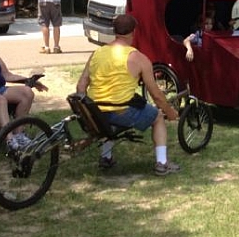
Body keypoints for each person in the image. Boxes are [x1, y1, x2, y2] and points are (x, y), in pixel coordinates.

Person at [76, 14, 180, 174]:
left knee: (107, 119)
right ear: (133, 32)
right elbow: (157, 95)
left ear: (114, 31)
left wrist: (86, 110)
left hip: (96, 112)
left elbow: (81, 86)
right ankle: (162, 162)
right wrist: (170, 112)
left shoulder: (97, 53)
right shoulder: (138, 58)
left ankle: (106, 158)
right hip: (121, 111)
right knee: (158, 117)